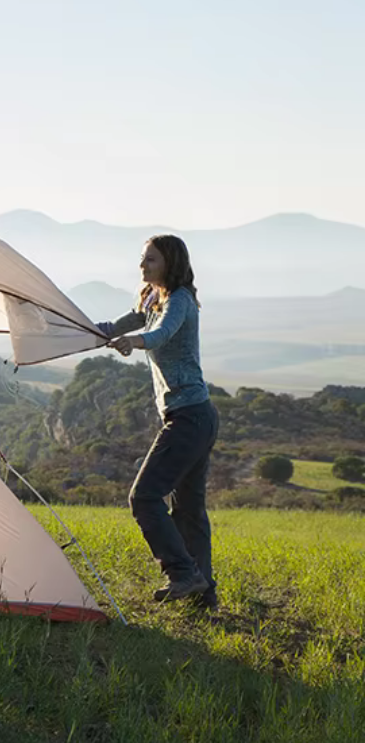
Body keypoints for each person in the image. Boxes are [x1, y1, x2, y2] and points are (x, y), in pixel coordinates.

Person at [98, 234, 219, 608]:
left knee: (145, 497)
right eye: (142, 259)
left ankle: (182, 573)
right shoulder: (152, 298)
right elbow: (114, 326)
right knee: (189, 512)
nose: (142, 266)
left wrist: (135, 343)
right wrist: (68, 328)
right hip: (193, 416)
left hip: (190, 418)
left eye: (150, 260)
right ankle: (204, 599)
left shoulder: (180, 300)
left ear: (170, 262)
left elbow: (161, 333)